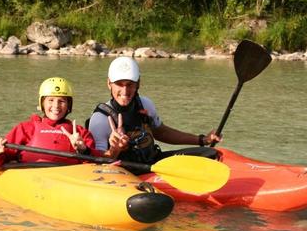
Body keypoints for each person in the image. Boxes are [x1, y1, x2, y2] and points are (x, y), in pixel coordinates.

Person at [87, 56, 221, 170]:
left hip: (153, 163)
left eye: (130, 84)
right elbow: (98, 163)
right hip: (125, 174)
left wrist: (202, 140)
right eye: (119, 84)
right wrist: (115, 149)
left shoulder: (145, 104)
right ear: (109, 84)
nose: (125, 90)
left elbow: (161, 132)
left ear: (138, 84)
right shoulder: (100, 119)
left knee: (209, 154)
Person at [0, 77, 110, 168]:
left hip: (67, 182)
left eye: (61, 101)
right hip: (32, 179)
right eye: (50, 100)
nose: (56, 106)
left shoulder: (80, 133)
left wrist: (84, 150)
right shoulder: (26, 128)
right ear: (42, 104)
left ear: (68, 105)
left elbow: (94, 164)